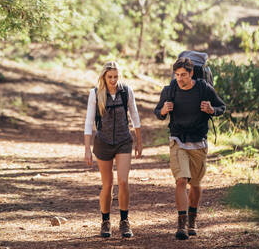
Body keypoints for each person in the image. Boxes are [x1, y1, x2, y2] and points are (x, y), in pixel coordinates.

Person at [154, 57, 226, 240]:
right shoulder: (170, 90)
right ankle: (182, 225)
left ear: (191, 73)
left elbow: (221, 107)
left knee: (195, 183)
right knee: (181, 180)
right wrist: (163, 110)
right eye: (177, 75)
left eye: (184, 75)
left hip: (198, 141)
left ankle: (193, 219)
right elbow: (158, 112)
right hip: (178, 139)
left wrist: (211, 109)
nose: (180, 78)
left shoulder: (203, 88)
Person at [84, 61, 143, 238]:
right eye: (110, 77)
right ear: (104, 76)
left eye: (116, 76)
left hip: (124, 140)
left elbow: (135, 116)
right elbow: (88, 122)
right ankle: (105, 222)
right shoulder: (95, 94)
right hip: (103, 142)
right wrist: (87, 148)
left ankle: (124, 221)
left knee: (123, 182)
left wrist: (139, 141)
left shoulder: (126, 91)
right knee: (108, 184)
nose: (113, 80)